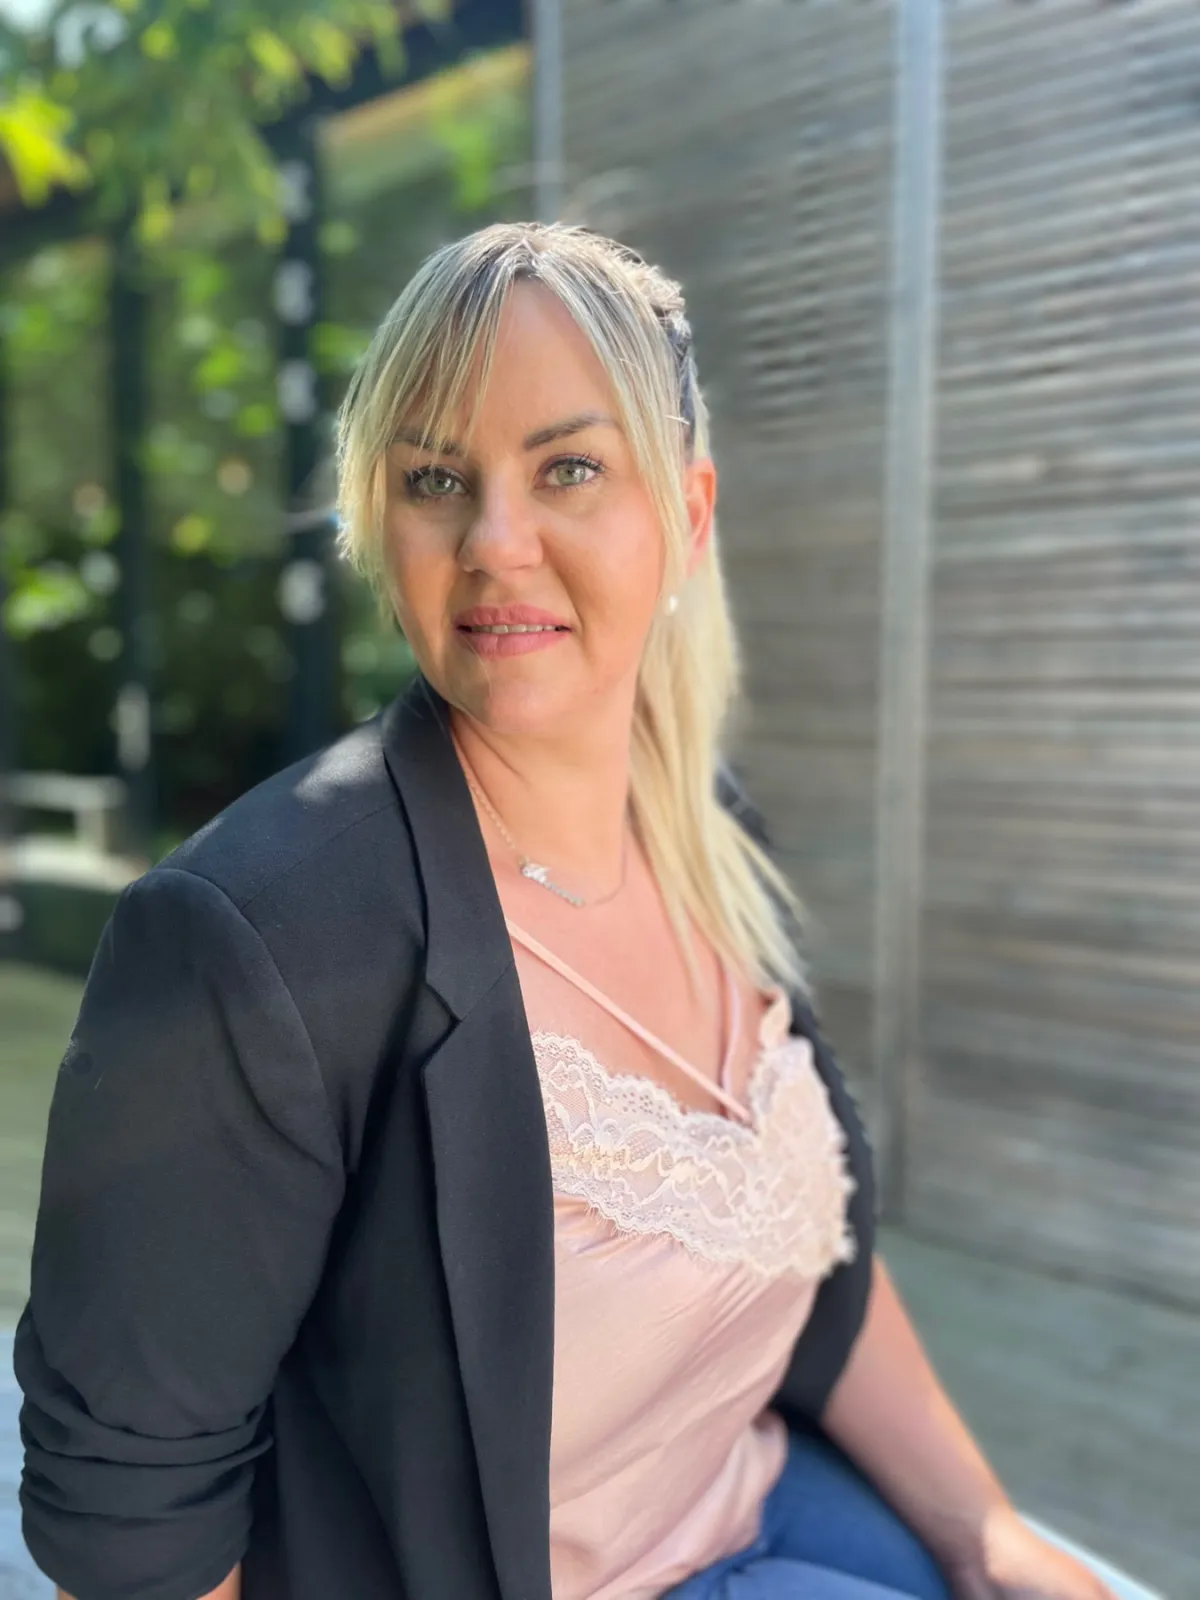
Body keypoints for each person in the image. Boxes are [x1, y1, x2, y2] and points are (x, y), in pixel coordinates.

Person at [17, 223, 1116, 1600]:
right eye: (434, 479)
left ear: (689, 516)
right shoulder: (251, 940)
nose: (496, 542)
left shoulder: (705, 829)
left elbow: (811, 1245)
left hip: (765, 1502)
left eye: (569, 468)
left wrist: (984, 1529)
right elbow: (133, 1538)